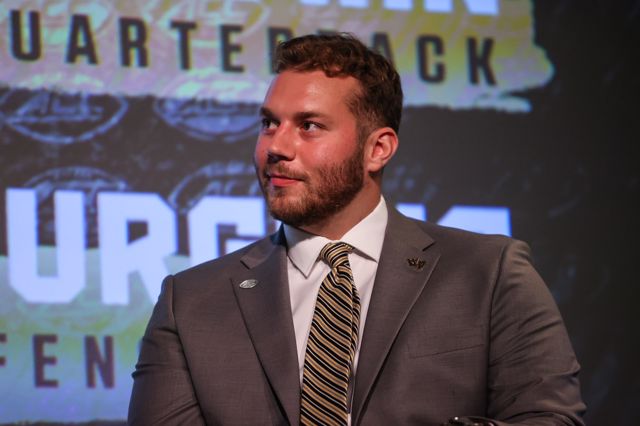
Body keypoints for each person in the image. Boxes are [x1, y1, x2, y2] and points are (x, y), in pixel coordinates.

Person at [128, 33, 585, 425]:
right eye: (269, 123)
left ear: (378, 149)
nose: (276, 147)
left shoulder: (487, 275)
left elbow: (549, 418)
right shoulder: (191, 304)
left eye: (309, 126)